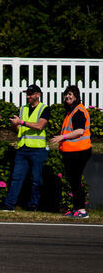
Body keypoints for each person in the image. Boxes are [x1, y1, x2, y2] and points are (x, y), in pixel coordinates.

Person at [0, 84, 50, 211]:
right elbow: (18, 130)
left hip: (37, 149)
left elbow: (40, 126)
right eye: (27, 94)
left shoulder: (44, 108)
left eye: (31, 94)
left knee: (36, 180)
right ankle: (9, 204)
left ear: (38, 95)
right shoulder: (23, 109)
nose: (28, 96)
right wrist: (13, 124)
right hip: (22, 148)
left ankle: (33, 205)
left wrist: (21, 122)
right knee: (16, 178)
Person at [51, 85, 92, 218]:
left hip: (79, 151)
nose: (68, 96)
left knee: (75, 180)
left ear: (76, 96)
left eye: (71, 94)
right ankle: (76, 208)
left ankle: (81, 210)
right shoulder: (71, 111)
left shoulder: (78, 111)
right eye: (66, 94)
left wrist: (62, 137)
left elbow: (80, 131)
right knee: (73, 180)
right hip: (72, 151)